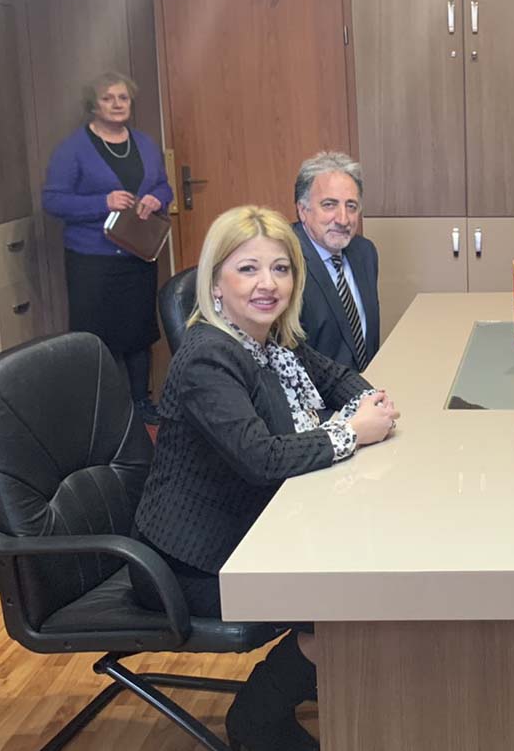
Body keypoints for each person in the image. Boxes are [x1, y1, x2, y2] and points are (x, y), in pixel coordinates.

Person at [131, 206, 399, 751]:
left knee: (375, 566)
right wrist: (352, 433)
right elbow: (262, 459)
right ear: (216, 283)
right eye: (248, 269)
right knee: (351, 601)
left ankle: (331, 678)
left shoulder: (272, 339)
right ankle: (257, 719)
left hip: (255, 528)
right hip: (193, 562)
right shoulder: (208, 357)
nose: (267, 284)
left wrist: (369, 400)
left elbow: (335, 377)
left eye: (280, 269)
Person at [41, 71, 173, 424]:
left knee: (139, 332)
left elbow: (164, 187)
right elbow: (53, 201)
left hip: (138, 254)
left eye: (123, 98)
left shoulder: (145, 144)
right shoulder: (73, 148)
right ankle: (107, 413)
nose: (117, 104)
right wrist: (104, 202)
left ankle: (141, 403)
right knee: (99, 336)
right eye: (108, 98)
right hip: (92, 260)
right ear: (93, 105)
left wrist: (156, 199)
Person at [291, 151, 380, 372]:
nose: (343, 219)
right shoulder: (285, 262)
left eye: (351, 206)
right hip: (316, 392)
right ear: (303, 210)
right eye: (329, 205)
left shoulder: (365, 252)